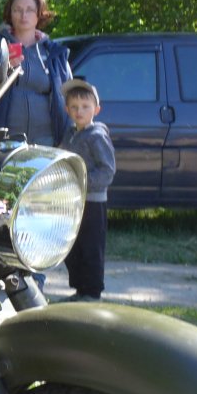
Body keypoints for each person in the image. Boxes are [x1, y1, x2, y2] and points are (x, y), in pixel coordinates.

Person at [0, 0, 71, 145]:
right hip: (1, 142)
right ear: (10, 14)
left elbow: (70, 98)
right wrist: (1, 67)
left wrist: (68, 139)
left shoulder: (54, 52)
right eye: (17, 10)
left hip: (47, 141)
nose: (23, 15)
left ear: (39, 14)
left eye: (30, 10)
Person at [59, 78, 116, 302]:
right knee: (73, 247)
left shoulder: (97, 136)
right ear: (67, 110)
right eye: (74, 107)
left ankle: (92, 293)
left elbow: (107, 171)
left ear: (96, 109)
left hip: (93, 202)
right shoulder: (70, 134)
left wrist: (81, 182)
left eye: (85, 106)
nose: (79, 111)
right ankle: (80, 290)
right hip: (73, 202)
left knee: (92, 248)